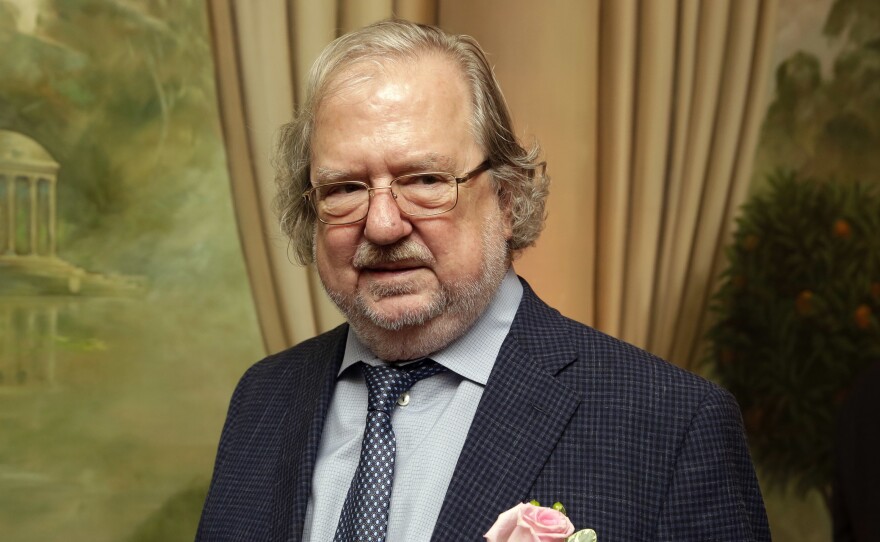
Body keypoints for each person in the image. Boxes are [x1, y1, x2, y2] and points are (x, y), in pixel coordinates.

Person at [197, 19, 770, 542]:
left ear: (506, 198)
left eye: (424, 179)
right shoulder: (262, 399)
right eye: (344, 188)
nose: (383, 223)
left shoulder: (669, 424)